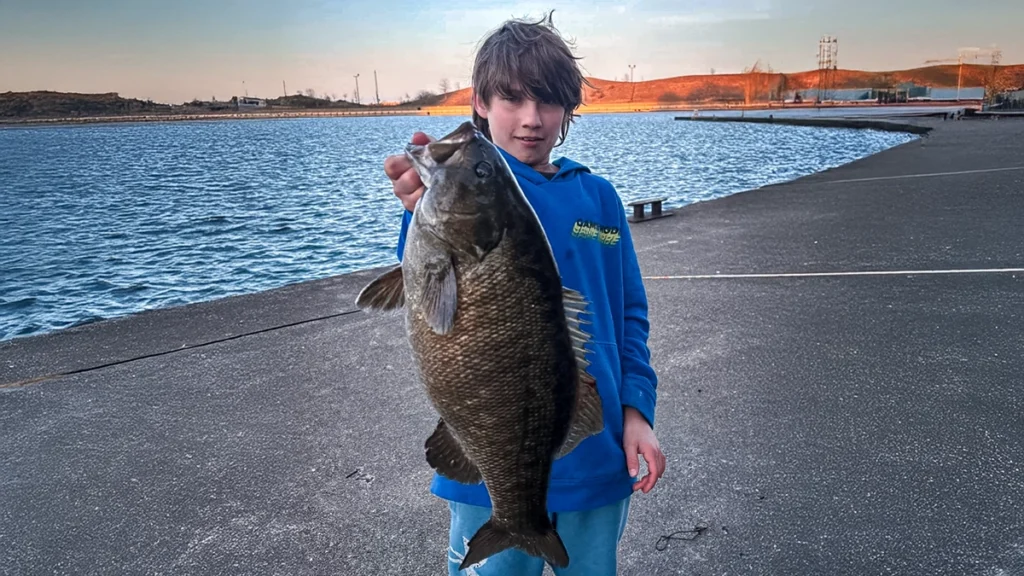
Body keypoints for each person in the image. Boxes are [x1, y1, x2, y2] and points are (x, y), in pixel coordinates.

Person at [382, 12, 665, 576]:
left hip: (595, 445)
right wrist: (417, 212)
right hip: (489, 455)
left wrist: (637, 409)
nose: (532, 119)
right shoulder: (461, 187)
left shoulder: (600, 200)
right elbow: (425, 280)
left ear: (568, 110)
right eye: (512, 99)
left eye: (548, 101)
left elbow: (630, 311)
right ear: (481, 103)